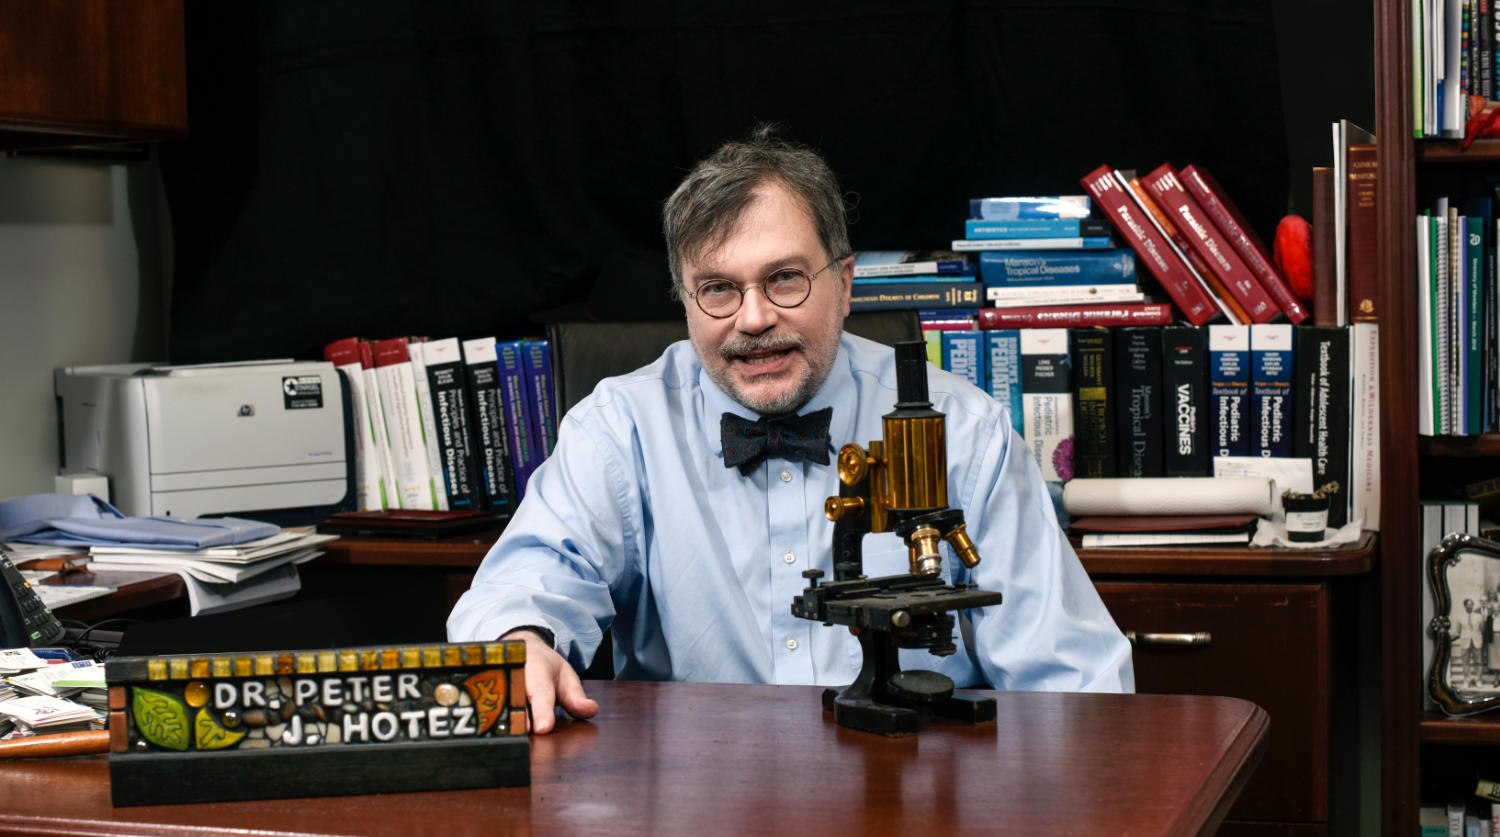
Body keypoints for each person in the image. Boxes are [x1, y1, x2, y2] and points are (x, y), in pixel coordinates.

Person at [447, 125, 1133, 732]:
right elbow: (525, 584)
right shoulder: (618, 427)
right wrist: (522, 640)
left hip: (921, 815)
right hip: (692, 821)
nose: (752, 319)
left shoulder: (967, 432)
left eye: (784, 279)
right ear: (685, 302)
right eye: (718, 288)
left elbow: (1076, 686)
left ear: (845, 281)